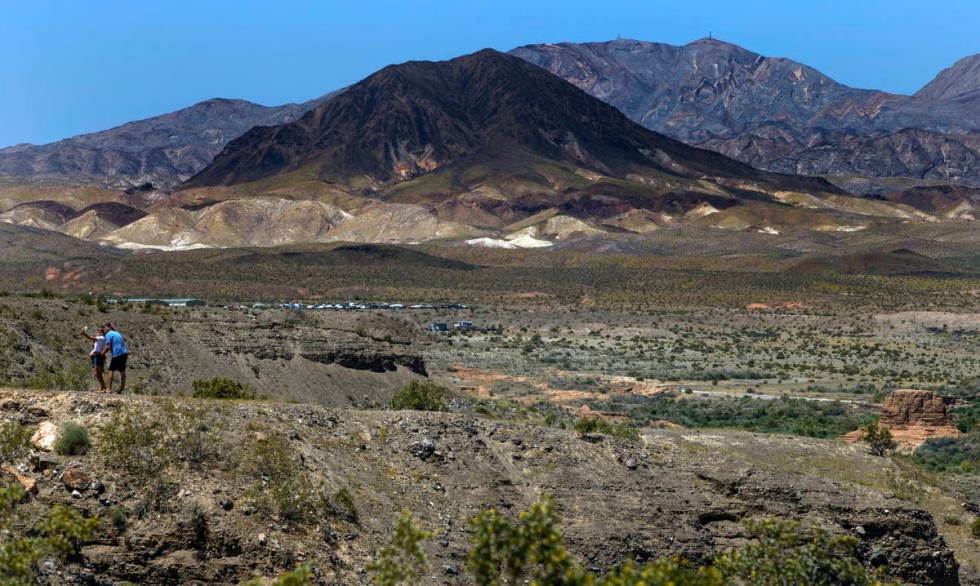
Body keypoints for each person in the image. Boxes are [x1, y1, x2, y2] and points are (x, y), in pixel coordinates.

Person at [101, 322, 129, 394]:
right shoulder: (116, 333)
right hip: (124, 353)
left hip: (117, 354)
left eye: (104, 327)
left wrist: (102, 353)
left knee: (111, 370)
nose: (103, 329)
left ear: (109, 327)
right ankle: (122, 389)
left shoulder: (108, 334)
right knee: (122, 371)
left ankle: (109, 389)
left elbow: (108, 347)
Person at [79, 325, 107, 392]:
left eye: (99, 331)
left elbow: (91, 338)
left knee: (98, 374)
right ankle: (102, 387)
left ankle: (103, 388)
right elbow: (95, 343)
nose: (98, 331)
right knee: (98, 373)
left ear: (102, 332)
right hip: (97, 356)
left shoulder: (101, 337)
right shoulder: (101, 338)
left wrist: (84, 334)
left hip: (98, 356)